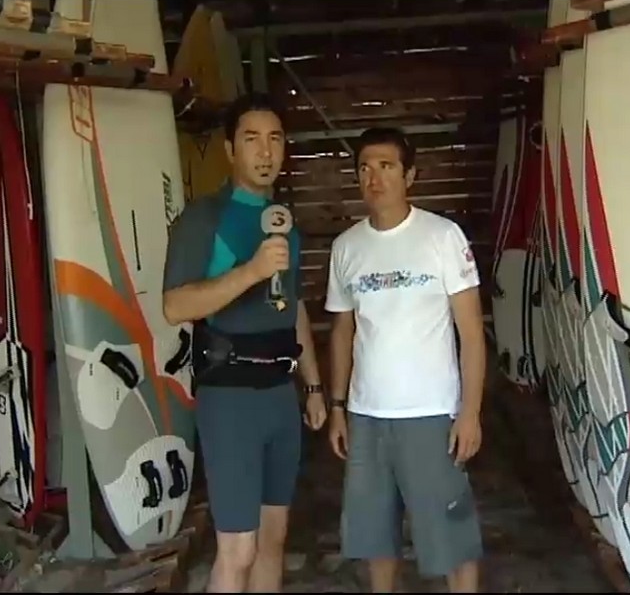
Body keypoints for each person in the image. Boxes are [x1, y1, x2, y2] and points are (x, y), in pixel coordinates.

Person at [162, 91, 328, 593]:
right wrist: (251, 271)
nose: (265, 151)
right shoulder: (204, 218)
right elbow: (175, 306)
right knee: (238, 550)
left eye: (275, 139)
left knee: (273, 541)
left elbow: (292, 307)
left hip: (280, 396)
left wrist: (313, 387)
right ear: (230, 149)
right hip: (229, 398)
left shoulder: (283, 222)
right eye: (252, 139)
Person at [325, 127, 487, 593]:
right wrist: (337, 407)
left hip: (431, 413)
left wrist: (470, 413)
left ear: (409, 175)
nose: (374, 178)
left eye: (386, 166)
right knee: (375, 536)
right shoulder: (347, 247)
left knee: (451, 535)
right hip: (367, 415)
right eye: (364, 168)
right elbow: (342, 331)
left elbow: (471, 333)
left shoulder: (442, 236)